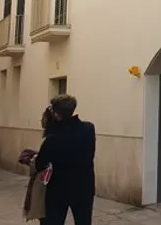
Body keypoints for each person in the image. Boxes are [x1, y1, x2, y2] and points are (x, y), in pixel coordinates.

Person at [34, 95, 96, 225]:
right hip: (84, 187)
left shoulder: (52, 139)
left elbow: (40, 165)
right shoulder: (89, 129)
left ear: (56, 115)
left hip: (58, 191)